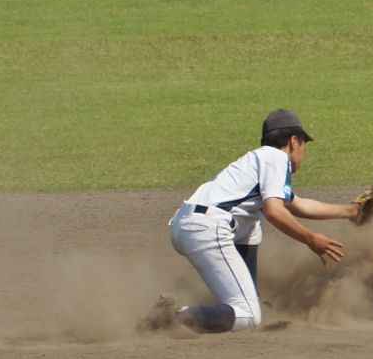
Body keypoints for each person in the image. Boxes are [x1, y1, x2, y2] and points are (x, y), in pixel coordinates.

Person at [145, 109, 359, 334]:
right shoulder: (277, 158)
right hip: (206, 229)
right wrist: (310, 238)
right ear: (293, 141)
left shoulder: (259, 161)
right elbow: (274, 211)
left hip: (189, 225)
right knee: (248, 315)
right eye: (304, 144)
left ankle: (249, 297)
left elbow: (298, 204)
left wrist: (350, 211)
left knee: (252, 223)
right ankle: (171, 317)